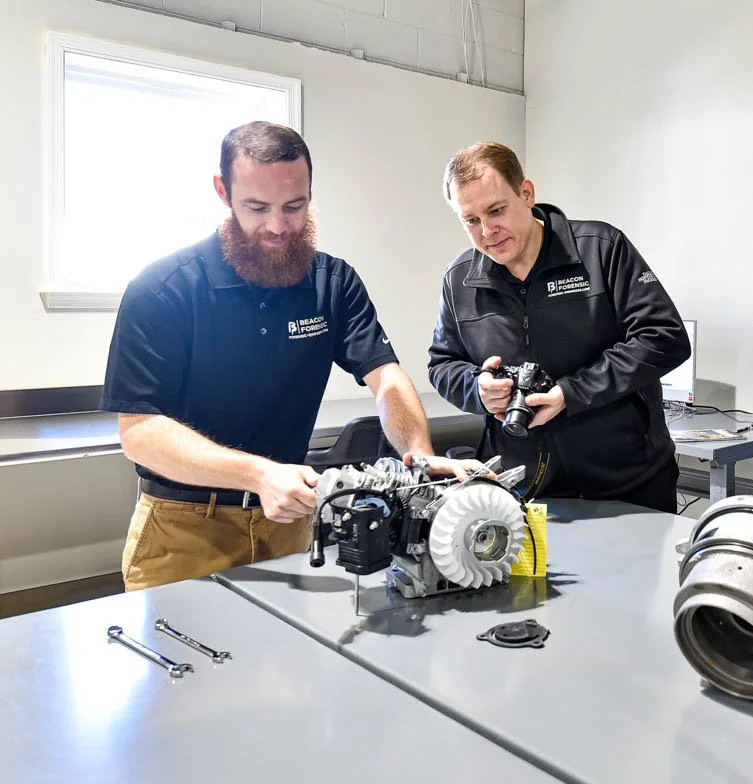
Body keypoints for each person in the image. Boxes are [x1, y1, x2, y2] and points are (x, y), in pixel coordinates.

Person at [102, 121, 480, 591]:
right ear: (223, 191)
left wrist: (418, 457)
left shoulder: (332, 283)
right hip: (184, 530)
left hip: (288, 528)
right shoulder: (163, 290)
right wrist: (259, 475)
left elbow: (386, 379)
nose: (278, 226)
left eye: (294, 206)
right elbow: (140, 432)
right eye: (257, 208)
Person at [428, 142, 692, 512]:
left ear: (526, 194)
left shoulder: (600, 250)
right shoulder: (459, 279)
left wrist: (571, 393)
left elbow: (664, 337)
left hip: (628, 483)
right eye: (470, 220)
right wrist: (479, 388)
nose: (487, 231)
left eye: (496, 210)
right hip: (525, 490)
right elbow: (442, 364)